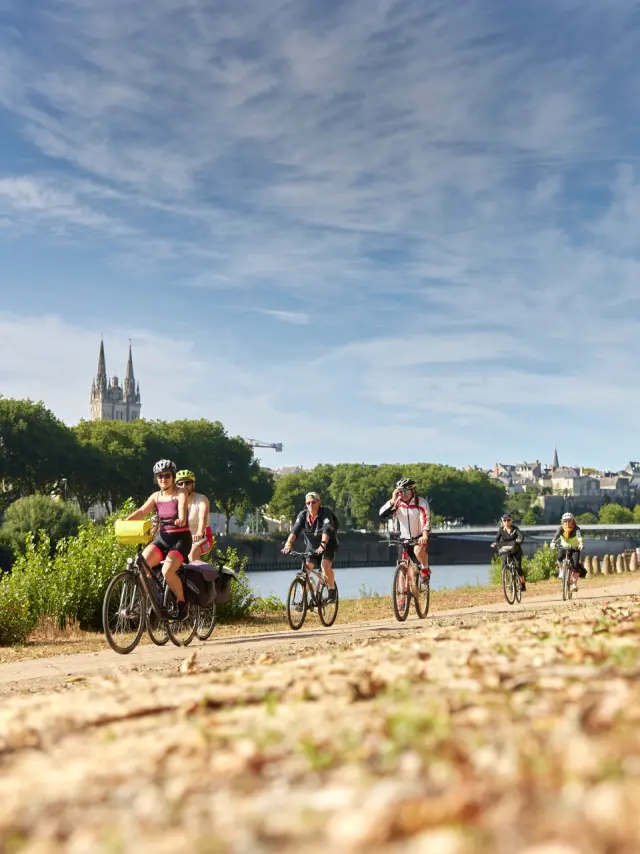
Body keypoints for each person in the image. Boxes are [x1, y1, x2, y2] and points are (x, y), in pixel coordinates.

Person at [126, 459, 191, 619]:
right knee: (141, 565)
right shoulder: (156, 496)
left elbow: (182, 506)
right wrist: (126, 521)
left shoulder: (181, 491)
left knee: (167, 570)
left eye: (167, 475)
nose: (163, 479)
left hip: (180, 539)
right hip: (163, 538)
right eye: (160, 476)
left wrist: (181, 518)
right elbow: (142, 511)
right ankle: (155, 601)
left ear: (173, 476)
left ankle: (182, 603)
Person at [281, 492, 338, 601]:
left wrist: (323, 544)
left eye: (313, 502)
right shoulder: (303, 515)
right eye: (308, 503)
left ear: (319, 503)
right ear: (305, 504)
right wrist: (288, 544)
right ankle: (304, 601)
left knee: (325, 567)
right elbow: (295, 530)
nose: (311, 505)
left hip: (328, 545)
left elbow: (326, 528)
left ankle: (331, 590)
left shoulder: (325, 513)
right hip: (312, 546)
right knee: (305, 571)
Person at [379, 478, 431, 582]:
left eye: (406, 491)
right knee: (402, 566)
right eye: (400, 492)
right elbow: (382, 514)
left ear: (413, 490)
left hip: (419, 536)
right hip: (404, 538)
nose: (403, 494)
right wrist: (393, 500)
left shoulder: (421, 503)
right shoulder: (397, 503)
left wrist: (424, 536)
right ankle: (401, 596)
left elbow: (425, 521)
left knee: (417, 551)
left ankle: (425, 568)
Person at [175, 469, 215, 562]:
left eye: (187, 483)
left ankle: (198, 576)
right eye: (180, 483)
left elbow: (202, 517)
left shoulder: (201, 499)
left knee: (192, 552)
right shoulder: (173, 501)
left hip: (202, 538)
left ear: (193, 484)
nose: (184, 486)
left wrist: (199, 533)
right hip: (180, 540)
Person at [491, 513, 526, 591]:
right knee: (504, 564)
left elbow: (521, 535)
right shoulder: (501, 530)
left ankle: (522, 583)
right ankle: (505, 582)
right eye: (505, 520)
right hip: (505, 550)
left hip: (515, 550)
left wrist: (519, 539)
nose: (507, 522)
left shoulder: (515, 529)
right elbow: (496, 539)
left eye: (508, 520)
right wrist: (494, 543)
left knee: (518, 566)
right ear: (502, 521)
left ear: (511, 520)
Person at [550, 512, 584, 592]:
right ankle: (561, 570)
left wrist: (581, 543)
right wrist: (552, 542)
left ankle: (574, 584)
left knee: (575, 565)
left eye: (569, 521)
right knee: (559, 557)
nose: (567, 523)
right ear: (562, 522)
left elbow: (579, 537)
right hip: (564, 547)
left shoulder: (576, 529)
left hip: (575, 548)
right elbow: (556, 536)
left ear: (573, 521)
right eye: (565, 521)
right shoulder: (561, 529)